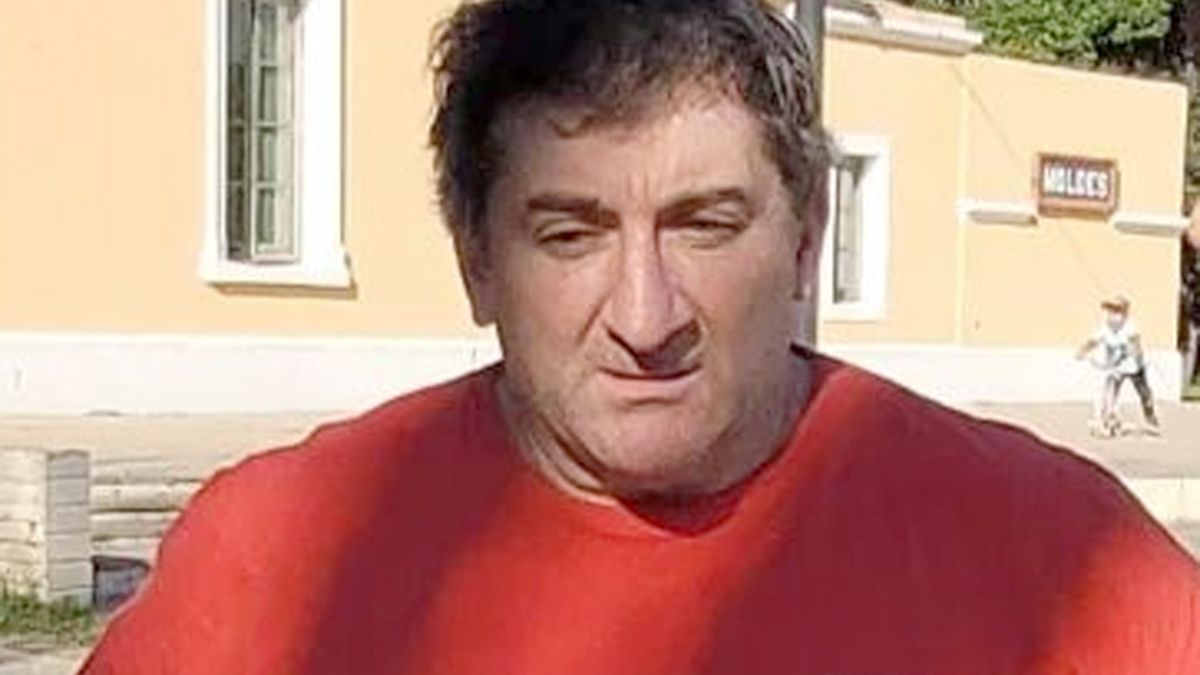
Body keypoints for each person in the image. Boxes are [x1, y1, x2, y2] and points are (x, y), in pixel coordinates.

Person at [80, 1, 1200, 673]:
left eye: (705, 225)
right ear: (475, 257)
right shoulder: (278, 557)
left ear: (807, 235)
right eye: (569, 234)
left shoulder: (1065, 562)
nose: (646, 316)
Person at [1075, 296, 1160, 436]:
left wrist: (1137, 354)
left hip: (1134, 366)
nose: (1111, 315)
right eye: (1109, 310)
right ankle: (1109, 419)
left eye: (1116, 310)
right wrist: (1081, 352)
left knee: (1144, 393)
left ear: (1124, 313)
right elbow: (1092, 342)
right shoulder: (1104, 329)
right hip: (1115, 367)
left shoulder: (1129, 327)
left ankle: (1150, 416)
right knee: (1110, 393)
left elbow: (1136, 343)